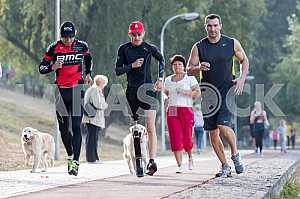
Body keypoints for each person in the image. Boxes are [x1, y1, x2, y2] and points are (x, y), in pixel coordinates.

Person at [187, 14, 249, 177]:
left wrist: (242, 79)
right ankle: (224, 166)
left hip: (227, 90)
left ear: (220, 25)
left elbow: (244, 60)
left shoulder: (231, 43)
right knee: (213, 132)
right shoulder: (199, 47)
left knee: (223, 125)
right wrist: (198, 68)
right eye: (209, 26)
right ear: (205, 27)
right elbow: (188, 69)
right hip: (208, 93)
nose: (212, 29)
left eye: (215, 25)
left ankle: (235, 156)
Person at [39, 21, 93, 176]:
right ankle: (70, 156)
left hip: (76, 90)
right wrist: (52, 67)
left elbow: (88, 59)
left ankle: (75, 162)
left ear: (74, 36)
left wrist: (88, 73)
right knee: (63, 129)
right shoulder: (53, 48)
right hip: (60, 92)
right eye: (65, 37)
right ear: (60, 36)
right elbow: (41, 67)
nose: (68, 40)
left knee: (76, 127)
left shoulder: (81, 46)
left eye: (70, 37)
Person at [115, 21, 165, 176]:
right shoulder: (124, 49)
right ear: (129, 34)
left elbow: (162, 60)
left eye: (139, 34)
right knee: (135, 129)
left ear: (143, 34)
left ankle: (151, 160)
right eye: (133, 34)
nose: (136, 37)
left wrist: (161, 78)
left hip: (148, 89)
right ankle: (138, 160)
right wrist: (132, 65)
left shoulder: (149, 48)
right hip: (132, 90)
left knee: (150, 127)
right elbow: (117, 70)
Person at [164, 55, 200, 173]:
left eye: (179, 64)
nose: (177, 66)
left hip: (186, 108)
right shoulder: (168, 80)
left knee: (187, 137)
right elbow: (166, 93)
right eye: (174, 64)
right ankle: (179, 165)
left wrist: (185, 92)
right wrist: (166, 101)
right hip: (173, 109)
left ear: (184, 66)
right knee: (175, 137)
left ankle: (190, 157)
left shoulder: (189, 78)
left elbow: (197, 92)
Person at [82, 75, 108, 163]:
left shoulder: (96, 90)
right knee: (92, 138)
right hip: (92, 119)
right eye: (104, 84)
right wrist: (106, 105)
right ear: (101, 83)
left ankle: (95, 158)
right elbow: (97, 104)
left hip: (94, 119)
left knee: (94, 138)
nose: (104, 85)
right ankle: (91, 159)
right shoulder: (94, 90)